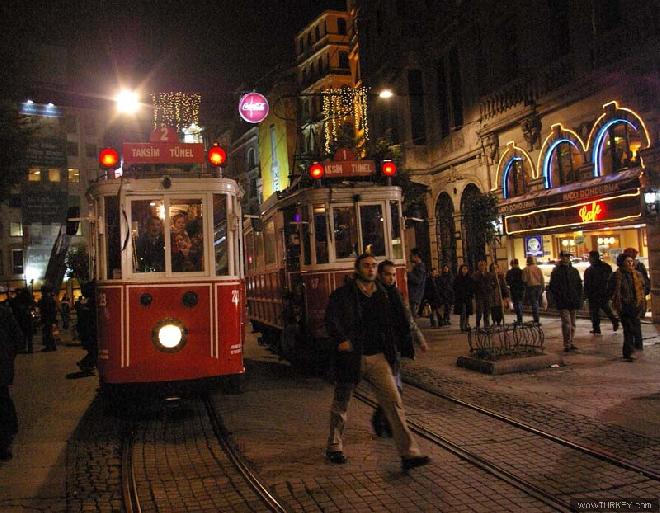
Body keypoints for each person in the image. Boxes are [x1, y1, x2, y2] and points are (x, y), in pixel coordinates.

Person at [325, 254, 430, 472]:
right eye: (367, 266)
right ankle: (334, 445)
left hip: (378, 357)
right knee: (341, 403)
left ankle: (409, 453)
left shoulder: (383, 294)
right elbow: (331, 319)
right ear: (357, 269)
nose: (371, 269)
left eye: (374, 266)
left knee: (394, 403)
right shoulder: (343, 295)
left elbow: (400, 321)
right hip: (352, 356)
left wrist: (406, 345)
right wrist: (342, 340)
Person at [373, 260, 428, 437]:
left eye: (392, 274)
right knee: (392, 389)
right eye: (387, 274)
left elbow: (407, 318)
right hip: (380, 349)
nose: (390, 278)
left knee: (395, 388)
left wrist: (419, 339)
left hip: (395, 347)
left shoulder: (395, 293)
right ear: (380, 275)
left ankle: (382, 419)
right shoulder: (374, 294)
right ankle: (389, 424)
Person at [609, 253, 645, 361]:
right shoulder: (616, 276)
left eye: (631, 261)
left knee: (634, 329)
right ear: (622, 263)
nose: (630, 263)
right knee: (628, 329)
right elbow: (611, 290)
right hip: (624, 307)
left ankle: (632, 348)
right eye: (628, 261)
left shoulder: (637, 274)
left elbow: (643, 287)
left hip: (636, 305)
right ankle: (627, 353)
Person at [0, 302, 23, 460]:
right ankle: (7, 436)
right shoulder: (4, 313)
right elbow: (18, 339)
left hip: (2, 364)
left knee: (3, 401)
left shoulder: (4, 313)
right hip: (3, 365)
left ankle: (4, 443)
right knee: (3, 399)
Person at [549, 252, 583, 352]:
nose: (566, 258)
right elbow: (553, 286)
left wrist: (578, 297)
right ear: (561, 258)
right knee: (567, 323)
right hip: (563, 300)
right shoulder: (556, 272)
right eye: (565, 256)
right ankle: (567, 343)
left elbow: (578, 285)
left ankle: (571, 342)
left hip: (572, 299)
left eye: (568, 257)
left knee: (572, 323)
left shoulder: (574, 271)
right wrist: (557, 297)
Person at [584, 250, 619, 335]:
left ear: (592, 258)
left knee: (594, 312)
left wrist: (586, 294)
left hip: (594, 293)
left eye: (589, 257)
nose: (589, 259)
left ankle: (597, 328)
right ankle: (614, 321)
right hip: (604, 292)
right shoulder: (606, 266)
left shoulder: (590, 270)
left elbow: (587, 283)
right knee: (605, 308)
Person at [76, 282, 97, 373]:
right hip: (90, 331)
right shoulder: (93, 302)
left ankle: (86, 364)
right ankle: (85, 363)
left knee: (94, 350)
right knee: (95, 350)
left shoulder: (84, 303)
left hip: (86, 331)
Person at [9, 288, 34, 353]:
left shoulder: (17, 299)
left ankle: (23, 348)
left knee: (23, 334)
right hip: (29, 319)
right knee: (30, 335)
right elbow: (32, 307)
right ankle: (30, 349)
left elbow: (13, 306)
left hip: (21, 319)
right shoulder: (29, 299)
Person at [522, 256, 545, 324]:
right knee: (536, 302)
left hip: (531, 287)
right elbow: (542, 279)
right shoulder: (538, 269)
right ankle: (536, 317)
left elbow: (524, 280)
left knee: (534, 303)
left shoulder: (526, 269)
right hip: (538, 287)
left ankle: (536, 318)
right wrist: (543, 287)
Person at [453, 264, 475, 331]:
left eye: (466, 269)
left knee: (467, 313)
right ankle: (462, 326)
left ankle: (466, 324)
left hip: (468, 298)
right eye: (463, 269)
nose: (464, 270)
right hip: (460, 298)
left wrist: (470, 294)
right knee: (462, 312)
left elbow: (472, 287)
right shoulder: (458, 278)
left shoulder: (470, 278)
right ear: (461, 269)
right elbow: (454, 287)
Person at [472, 260, 493, 328]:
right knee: (479, 311)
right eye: (481, 265)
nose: (482, 267)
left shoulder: (489, 274)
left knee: (487, 311)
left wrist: (490, 288)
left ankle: (486, 325)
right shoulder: (475, 275)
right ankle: (478, 325)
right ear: (478, 267)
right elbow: (474, 285)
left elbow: (493, 283)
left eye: (483, 265)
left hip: (487, 295)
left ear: (485, 266)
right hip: (480, 295)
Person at [407, 249, 426, 318]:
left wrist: (408, 273)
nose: (410, 257)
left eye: (411, 256)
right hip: (415, 296)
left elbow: (418, 280)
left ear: (416, 256)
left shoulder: (420, 267)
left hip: (414, 296)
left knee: (412, 317)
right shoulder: (418, 267)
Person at [506, 259, 525, 324]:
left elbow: (507, 281)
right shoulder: (522, 271)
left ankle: (519, 318)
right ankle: (520, 318)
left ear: (512, 264)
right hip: (521, 290)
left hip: (514, 290)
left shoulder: (510, 272)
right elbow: (524, 280)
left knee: (516, 304)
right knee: (520, 303)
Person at [39, 286, 58, 352]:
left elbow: (45, 310)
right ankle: (53, 346)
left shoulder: (45, 299)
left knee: (47, 332)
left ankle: (49, 346)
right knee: (51, 332)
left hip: (47, 318)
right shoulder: (51, 298)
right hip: (51, 318)